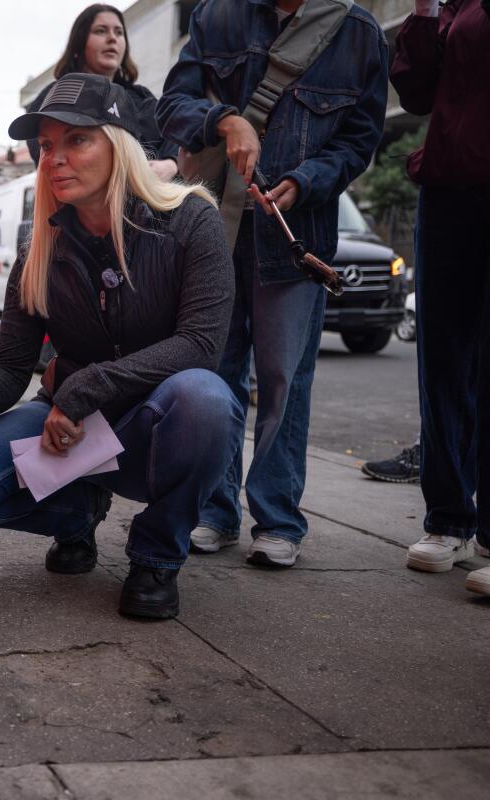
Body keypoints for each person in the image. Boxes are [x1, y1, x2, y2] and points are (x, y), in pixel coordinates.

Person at [0, 73, 242, 620]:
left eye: (77, 140)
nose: (54, 159)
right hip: (69, 431)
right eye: (46, 146)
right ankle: (77, 513)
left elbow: (202, 345)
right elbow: (11, 368)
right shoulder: (40, 249)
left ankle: (158, 555)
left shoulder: (190, 219)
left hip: (153, 428)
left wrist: (85, 386)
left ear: (119, 146)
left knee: (206, 397)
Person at [158, 0, 388, 568]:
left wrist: (305, 180)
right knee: (214, 375)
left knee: (285, 381)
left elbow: (360, 142)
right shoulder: (218, 16)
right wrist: (224, 120)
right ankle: (214, 511)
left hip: (294, 237)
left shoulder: (358, 32)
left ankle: (279, 519)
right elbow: (171, 108)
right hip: (211, 233)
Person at [389, 0, 490, 591]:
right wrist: (426, 14)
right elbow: (416, 94)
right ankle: (448, 517)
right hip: (449, 189)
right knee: (442, 358)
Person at [25, 4, 178, 181]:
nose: (112, 38)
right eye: (100, 31)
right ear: (79, 43)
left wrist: (170, 164)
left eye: (119, 32)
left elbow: (175, 138)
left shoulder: (142, 98)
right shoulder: (55, 97)